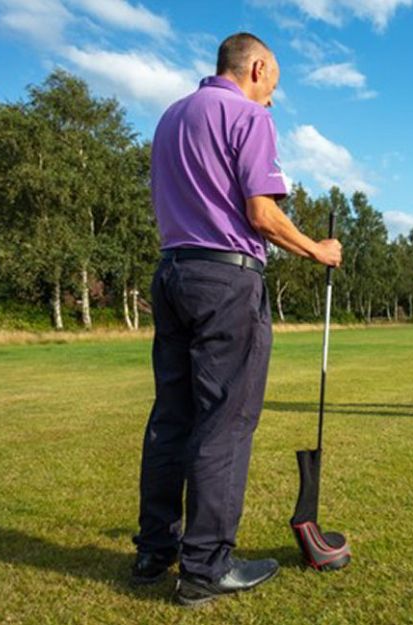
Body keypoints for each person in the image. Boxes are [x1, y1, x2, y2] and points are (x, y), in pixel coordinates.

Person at [131, 32, 342, 606]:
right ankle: (205, 567)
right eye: (271, 85)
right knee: (225, 421)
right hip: (225, 278)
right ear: (255, 68)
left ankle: (155, 550)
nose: (271, 99)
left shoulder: (172, 117)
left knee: (171, 417)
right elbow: (262, 213)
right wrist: (317, 251)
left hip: (172, 272)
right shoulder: (248, 116)